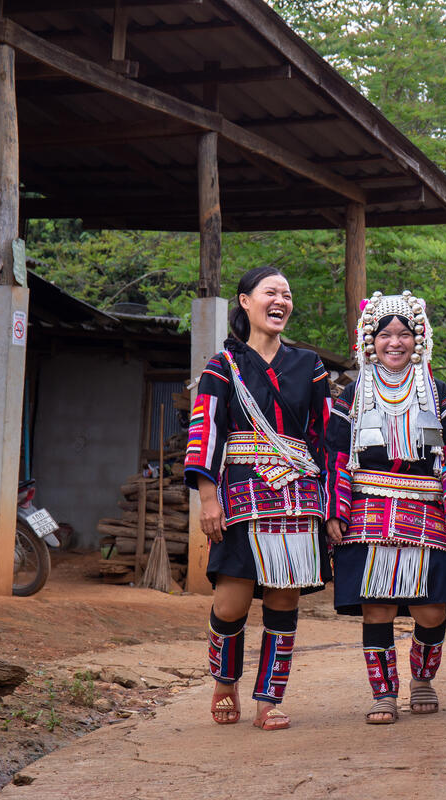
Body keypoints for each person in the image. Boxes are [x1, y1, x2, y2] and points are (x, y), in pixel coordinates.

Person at [184, 266, 332, 731]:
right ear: (245, 302)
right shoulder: (222, 366)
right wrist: (209, 499)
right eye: (271, 292)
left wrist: (332, 502)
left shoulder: (309, 366)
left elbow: (325, 436)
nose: (281, 301)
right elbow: (206, 429)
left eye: (287, 294)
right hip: (241, 495)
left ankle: (269, 697)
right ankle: (224, 679)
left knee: (284, 601)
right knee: (231, 601)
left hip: (297, 498)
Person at [323, 290, 446, 725]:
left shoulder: (436, 390)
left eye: (404, 334)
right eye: (385, 334)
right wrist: (335, 508)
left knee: (431, 607)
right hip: (367, 511)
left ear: (417, 339)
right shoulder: (352, 394)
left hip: (426, 507)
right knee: (377, 607)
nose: (394, 342)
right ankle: (383, 692)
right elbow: (336, 455)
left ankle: (422, 678)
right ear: (371, 340)